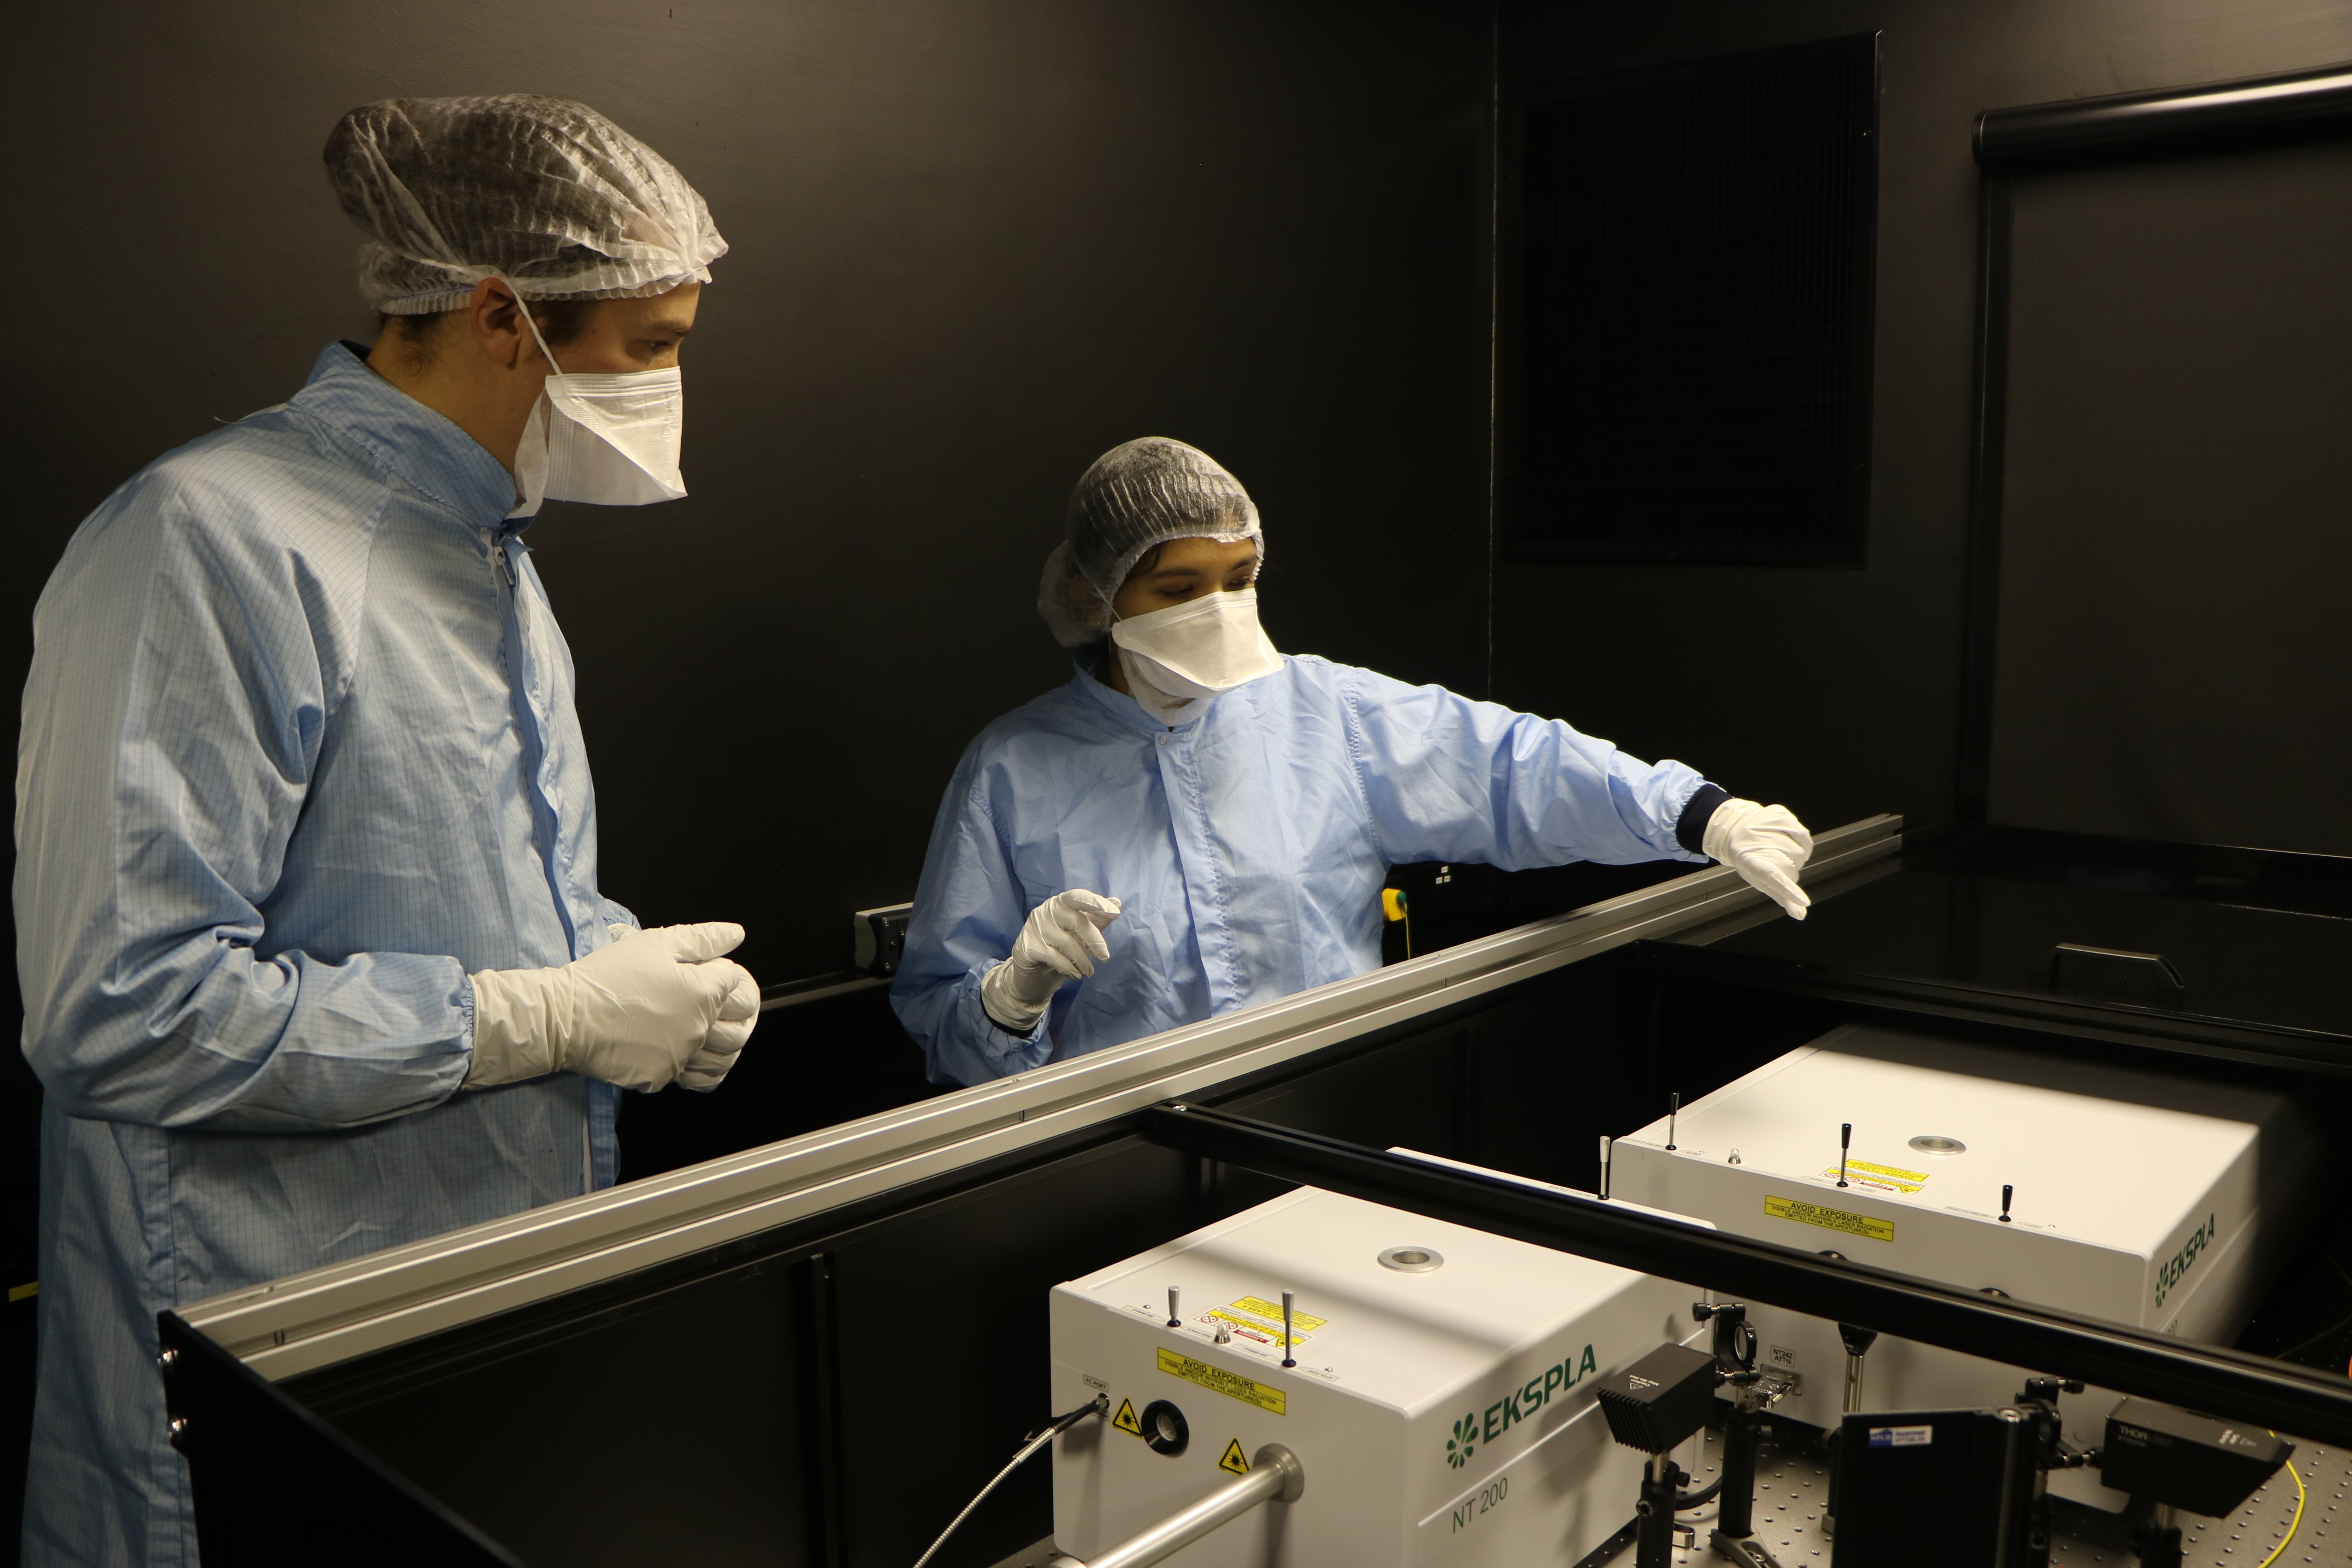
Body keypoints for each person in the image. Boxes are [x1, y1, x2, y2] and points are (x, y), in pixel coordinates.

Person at [16, 96, 759, 1566]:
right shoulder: (210, 540)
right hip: (255, 1369)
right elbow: (122, 1013)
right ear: (500, 315)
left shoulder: (485, 549)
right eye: (655, 345)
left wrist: (623, 981)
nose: (675, 381)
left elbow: (431, 889)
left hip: (473, 1323)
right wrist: (542, 1016)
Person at [893, 437, 1814, 1086]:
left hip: (1330, 1122)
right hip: (1114, 1160)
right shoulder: (1013, 769)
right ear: (1096, 595)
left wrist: (1700, 814)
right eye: (1179, 588)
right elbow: (940, 1018)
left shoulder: (1326, 712)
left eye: (1239, 580)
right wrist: (1012, 994)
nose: (1217, 609)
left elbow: (1512, 769)